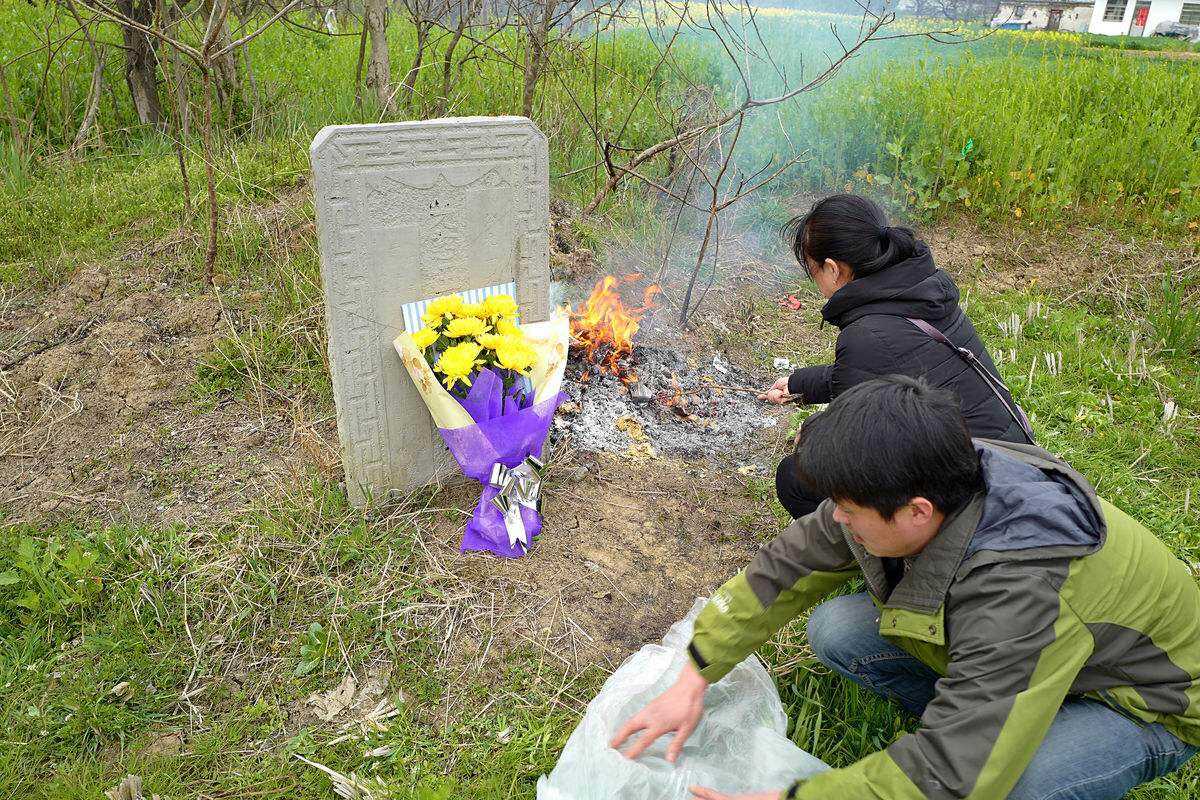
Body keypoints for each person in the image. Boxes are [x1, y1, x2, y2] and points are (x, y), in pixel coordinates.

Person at [612, 376, 1200, 800]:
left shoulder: (1021, 593)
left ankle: (1001, 722)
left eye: (847, 508)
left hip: (1141, 702)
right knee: (838, 630)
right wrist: (695, 671)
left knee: (1010, 783)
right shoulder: (919, 470)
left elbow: (953, 778)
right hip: (1037, 658)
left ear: (917, 513)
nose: (836, 519)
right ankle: (991, 711)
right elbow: (787, 564)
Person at [762, 194, 1030, 521]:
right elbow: (878, 372)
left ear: (833, 269)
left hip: (974, 501)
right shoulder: (922, 290)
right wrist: (797, 383)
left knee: (797, 478)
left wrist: (812, 433)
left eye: (813, 270)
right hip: (1012, 466)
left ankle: (888, 560)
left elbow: (852, 443)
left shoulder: (867, 334)